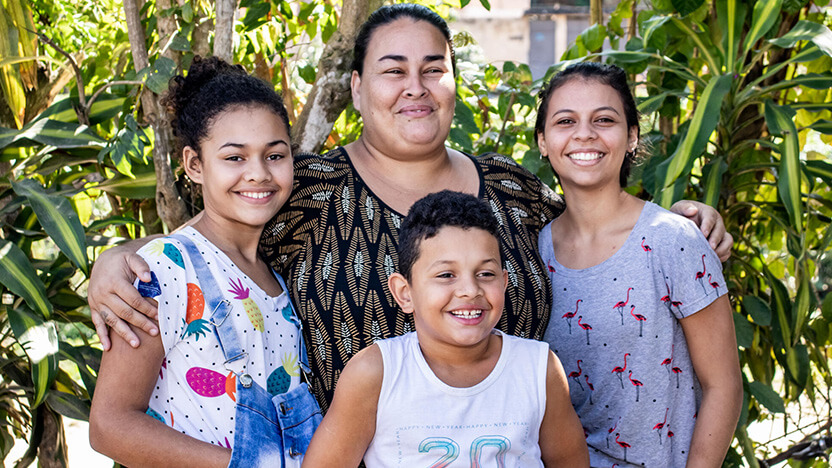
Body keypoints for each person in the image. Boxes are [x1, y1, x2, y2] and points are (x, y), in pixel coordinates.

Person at [86, 4, 732, 411]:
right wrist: (115, 260)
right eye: (394, 70)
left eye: (434, 68)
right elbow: (213, 244)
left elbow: (600, 223)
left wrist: (685, 216)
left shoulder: (511, 191)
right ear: (360, 88)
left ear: (455, 82)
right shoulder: (304, 190)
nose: (415, 87)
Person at [88, 56, 320, 467]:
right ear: (195, 165)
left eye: (275, 155)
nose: (258, 174)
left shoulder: (275, 275)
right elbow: (109, 424)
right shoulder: (165, 268)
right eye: (234, 158)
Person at [535, 62, 742, 467]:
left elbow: (724, 386)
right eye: (565, 121)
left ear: (631, 137)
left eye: (604, 119)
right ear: (543, 141)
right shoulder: (533, 252)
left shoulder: (672, 240)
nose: (584, 134)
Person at [302, 191, 589, 467]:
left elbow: (569, 462)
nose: (469, 290)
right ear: (405, 293)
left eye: (485, 274)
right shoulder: (376, 373)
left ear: (504, 282)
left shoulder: (539, 369)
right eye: (446, 275)